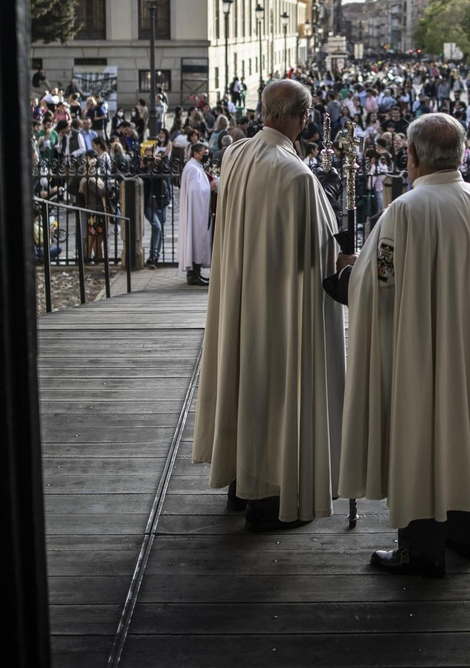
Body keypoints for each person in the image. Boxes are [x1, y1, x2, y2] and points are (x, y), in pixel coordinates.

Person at [336, 112, 470, 577]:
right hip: (466, 344)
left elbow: (381, 278)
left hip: (419, 347)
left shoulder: (405, 210)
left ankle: (420, 550)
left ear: (413, 156)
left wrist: (346, 272)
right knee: (463, 426)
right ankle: (464, 535)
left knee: (421, 431)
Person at [192, 80, 353, 531]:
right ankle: (269, 499)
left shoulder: (236, 153)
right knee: (276, 394)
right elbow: (316, 254)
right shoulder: (296, 175)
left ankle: (240, 481)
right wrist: (343, 257)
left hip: (243, 295)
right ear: (301, 118)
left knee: (246, 384)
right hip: (281, 307)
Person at [178, 144, 212, 285]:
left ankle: (196, 273)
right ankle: (193, 276)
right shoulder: (192, 168)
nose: (206, 155)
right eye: (204, 153)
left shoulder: (195, 166)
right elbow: (195, 191)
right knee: (195, 240)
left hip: (196, 210)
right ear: (196, 154)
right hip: (195, 212)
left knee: (196, 241)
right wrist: (211, 186)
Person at [144, 153, 170, 267]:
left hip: (161, 202)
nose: (150, 159)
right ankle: (153, 255)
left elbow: (167, 172)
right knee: (157, 228)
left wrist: (160, 163)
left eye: (152, 157)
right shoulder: (143, 168)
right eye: (148, 157)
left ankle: (155, 256)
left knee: (159, 230)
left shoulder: (160, 168)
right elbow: (148, 178)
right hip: (149, 205)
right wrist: (144, 165)